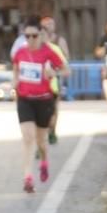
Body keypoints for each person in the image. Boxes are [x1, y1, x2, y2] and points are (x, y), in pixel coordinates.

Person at [12, 15, 69, 194]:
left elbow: (67, 70)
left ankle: (44, 160)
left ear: (41, 35)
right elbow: (15, 71)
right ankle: (27, 177)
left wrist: (53, 73)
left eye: (34, 36)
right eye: (27, 36)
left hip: (44, 99)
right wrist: (14, 83)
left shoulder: (49, 51)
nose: (30, 40)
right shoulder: (20, 53)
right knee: (27, 138)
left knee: (41, 141)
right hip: (25, 100)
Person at [40, 17, 70, 145]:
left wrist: (56, 67)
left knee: (53, 109)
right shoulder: (34, 45)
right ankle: (41, 137)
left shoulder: (59, 41)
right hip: (38, 83)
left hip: (55, 79)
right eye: (46, 24)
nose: (49, 26)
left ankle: (52, 130)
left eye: (51, 24)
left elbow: (66, 59)